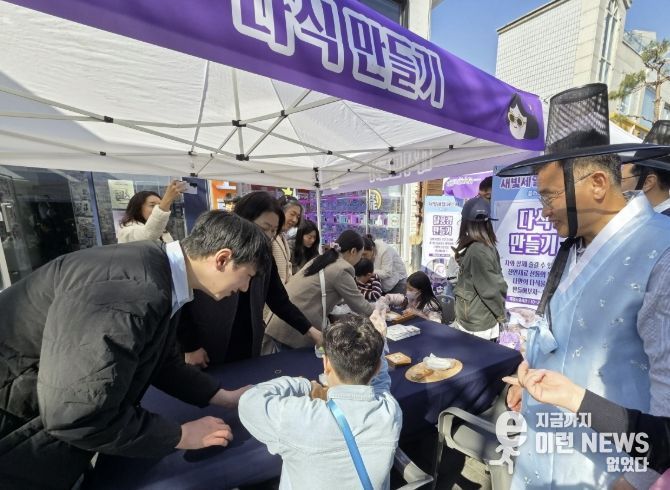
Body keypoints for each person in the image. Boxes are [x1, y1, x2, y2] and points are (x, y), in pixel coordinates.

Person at [0, 210, 270, 489]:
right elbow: (76, 414)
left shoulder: (156, 273)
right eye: (247, 276)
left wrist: (223, 397)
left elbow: (159, 359)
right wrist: (179, 435)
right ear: (222, 259)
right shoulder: (131, 291)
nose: (244, 288)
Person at [497, 83, 670, 489]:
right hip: (543, 453)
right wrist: (531, 378)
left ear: (597, 184)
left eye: (549, 197)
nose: (544, 211)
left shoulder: (661, 252)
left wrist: (636, 479)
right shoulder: (575, 246)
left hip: (602, 471)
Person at [239, 312, 402, 490]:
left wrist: (305, 385)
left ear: (326, 364)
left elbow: (249, 401)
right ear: (377, 367)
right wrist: (380, 345)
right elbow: (381, 385)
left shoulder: (298, 419)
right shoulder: (390, 412)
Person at [179, 192, 322, 367]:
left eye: (273, 231)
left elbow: (279, 300)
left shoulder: (265, 257)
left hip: (247, 338)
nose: (267, 236)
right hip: (208, 342)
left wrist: (310, 331)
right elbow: (182, 302)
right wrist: (190, 345)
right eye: (264, 228)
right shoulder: (213, 252)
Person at [503, 362, 670, 477]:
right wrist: (528, 380)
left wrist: (637, 479)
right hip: (543, 448)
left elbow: (662, 438)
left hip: (608, 463)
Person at [264, 230, 375, 352]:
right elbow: (361, 306)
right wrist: (380, 309)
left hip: (283, 320)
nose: (361, 260)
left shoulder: (323, 259)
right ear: (353, 251)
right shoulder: (341, 269)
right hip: (295, 328)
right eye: (361, 255)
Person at [452, 196, 507, 340]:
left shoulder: (478, 250)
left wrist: (501, 317)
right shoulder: (479, 246)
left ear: (466, 223)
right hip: (474, 318)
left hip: (477, 323)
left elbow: (491, 289)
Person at [620, 120, 670, 216]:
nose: (615, 185)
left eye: (621, 180)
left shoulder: (661, 222)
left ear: (647, 182)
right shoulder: (645, 215)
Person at [117, 180, 185, 243]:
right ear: (138, 208)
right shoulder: (127, 232)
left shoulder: (164, 233)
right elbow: (148, 235)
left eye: (159, 205)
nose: (156, 209)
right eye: (152, 205)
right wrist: (168, 198)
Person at [273, 195, 303, 284]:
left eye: (298, 217)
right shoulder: (270, 236)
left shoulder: (282, 237)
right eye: (292, 214)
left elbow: (288, 268)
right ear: (280, 212)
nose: (294, 220)